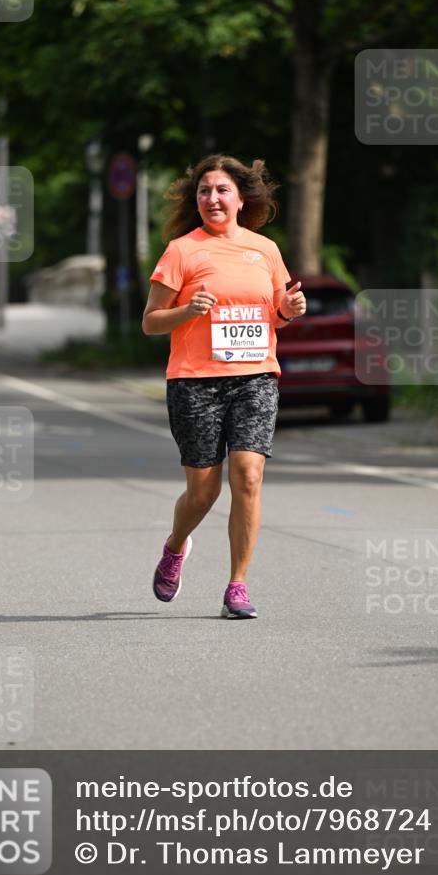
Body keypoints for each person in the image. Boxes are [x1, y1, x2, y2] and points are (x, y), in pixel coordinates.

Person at [141, 154, 306, 619]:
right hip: (195, 382)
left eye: (221, 190)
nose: (212, 198)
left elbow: (277, 313)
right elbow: (151, 322)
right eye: (204, 191)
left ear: (240, 199)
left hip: (255, 377)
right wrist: (187, 310)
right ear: (196, 200)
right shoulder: (181, 251)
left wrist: (290, 310)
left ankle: (237, 586)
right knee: (203, 493)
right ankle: (176, 546)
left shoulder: (265, 250)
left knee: (248, 477)